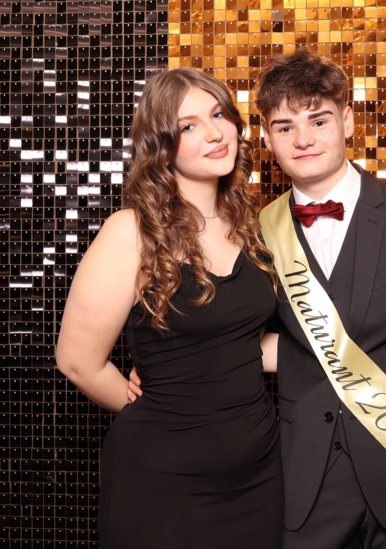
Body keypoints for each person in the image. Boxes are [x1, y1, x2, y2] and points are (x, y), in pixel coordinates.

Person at [131, 49, 386, 549]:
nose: (303, 140)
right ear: (265, 138)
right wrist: (174, 360)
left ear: (348, 120)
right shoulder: (251, 234)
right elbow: (237, 335)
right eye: (285, 127)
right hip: (301, 481)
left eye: (318, 120)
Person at [56, 67, 284, 548]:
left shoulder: (251, 225)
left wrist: (348, 351)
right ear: (162, 145)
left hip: (258, 474)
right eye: (188, 125)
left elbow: (239, 344)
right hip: (163, 478)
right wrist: (156, 404)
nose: (215, 133)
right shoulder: (131, 231)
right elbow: (77, 361)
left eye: (218, 115)